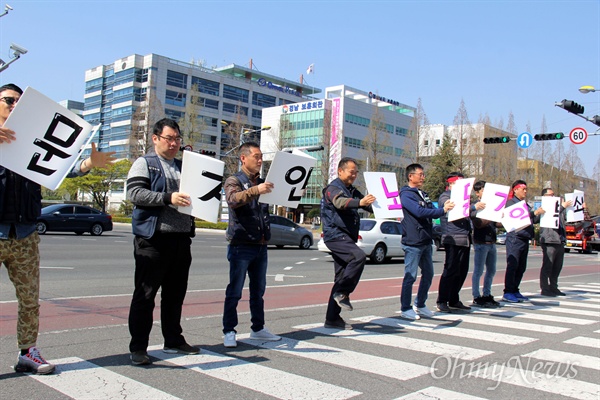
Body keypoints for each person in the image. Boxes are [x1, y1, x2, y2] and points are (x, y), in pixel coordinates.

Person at [0, 83, 115, 374]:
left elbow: (61, 168)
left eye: (19, 103)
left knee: (29, 299)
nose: (14, 106)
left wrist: (89, 163)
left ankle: (28, 352)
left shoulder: (33, 141)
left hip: (25, 233)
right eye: (8, 100)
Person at [126, 118, 199, 365]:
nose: (174, 143)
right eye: (170, 138)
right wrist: (168, 197)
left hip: (181, 239)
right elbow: (134, 193)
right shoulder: (144, 163)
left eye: (178, 139)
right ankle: (138, 347)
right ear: (155, 138)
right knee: (145, 296)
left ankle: (173, 340)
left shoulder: (184, 166)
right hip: (153, 239)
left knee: (175, 295)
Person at [222, 141, 281, 348]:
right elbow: (232, 199)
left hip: (261, 243)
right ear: (243, 158)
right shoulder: (234, 180)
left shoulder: (263, 182)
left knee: (258, 291)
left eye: (261, 156)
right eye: (256, 156)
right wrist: (256, 190)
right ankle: (229, 330)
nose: (260, 160)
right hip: (241, 243)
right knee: (235, 290)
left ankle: (258, 328)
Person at [321, 157, 375, 330]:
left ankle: (332, 318)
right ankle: (343, 292)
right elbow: (340, 202)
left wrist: (390, 206)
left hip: (346, 236)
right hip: (336, 235)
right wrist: (360, 202)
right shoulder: (333, 188)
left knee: (340, 277)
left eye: (356, 172)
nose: (354, 175)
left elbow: (368, 206)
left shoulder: (351, 189)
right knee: (358, 256)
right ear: (340, 171)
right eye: (351, 171)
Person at [399, 163, 454, 320]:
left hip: (425, 240)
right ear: (411, 176)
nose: (423, 177)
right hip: (412, 241)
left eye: (423, 174)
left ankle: (420, 304)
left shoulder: (422, 193)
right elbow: (420, 212)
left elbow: (429, 210)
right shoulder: (406, 194)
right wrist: (442, 210)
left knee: (428, 274)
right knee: (410, 276)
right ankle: (405, 307)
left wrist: (441, 210)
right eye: (420, 174)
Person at [436, 172, 472, 313]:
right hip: (453, 237)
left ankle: (454, 298)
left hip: (465, 237)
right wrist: (473, 207)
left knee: (462, 271)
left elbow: (471, 212)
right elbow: (446, 205)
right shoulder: (446, 195)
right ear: (451, 184)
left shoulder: (466, 198)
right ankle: (442, 300)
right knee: (450, 269)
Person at [502, 180, 543, 303]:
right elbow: (517, 217)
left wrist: (539, 214)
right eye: (523, 189)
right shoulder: (511, 203)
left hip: (525, 237)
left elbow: (532, 220)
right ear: (515, 190)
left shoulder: (524, 204)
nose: (525, 191)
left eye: (526, 189)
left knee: (521, 266)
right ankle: (508, 291)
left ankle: (515, 289)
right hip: (515, 237)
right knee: (513, 265)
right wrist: (533, 213)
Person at [470, 180, 500, 307]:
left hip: (492, 241)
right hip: (481, 242)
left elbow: (497, 224)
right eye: (483, 190)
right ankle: (476, 296)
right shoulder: (475, 206)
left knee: (491, 270)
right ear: (477, 193)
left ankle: (487, 294)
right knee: (478, 271)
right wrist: (492, 215)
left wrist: (503, 218)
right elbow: (478, 224)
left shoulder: (492, 205)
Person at [538, 188, 572, 297]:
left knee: (557, 266)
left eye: (554, 194)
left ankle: (553, 286)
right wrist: (562, 207)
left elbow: (567, 219)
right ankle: (545, 288)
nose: (553, 197)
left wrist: (580, 210)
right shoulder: (544, 206)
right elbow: (551, 215)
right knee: (548, 265)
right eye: (551, 195)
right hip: (549, 239)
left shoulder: (558, 207)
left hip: (559, 240)